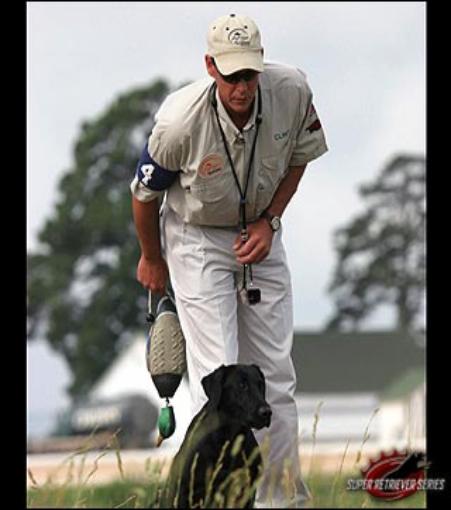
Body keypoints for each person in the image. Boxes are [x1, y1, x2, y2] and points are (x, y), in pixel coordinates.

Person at [130, 13, 328, 508]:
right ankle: (215, 499)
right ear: (210, 67)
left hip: (260, 233)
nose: (242, 87)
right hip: (196, 238)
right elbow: (144, 195)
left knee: (275, 379)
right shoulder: (179, 122)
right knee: (220, 378)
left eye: (249, 74)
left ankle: (282, 500)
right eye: (231, 75)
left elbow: (300, 155)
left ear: (261, 65)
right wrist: (151, 258)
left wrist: (271, 221)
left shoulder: (292, 91)